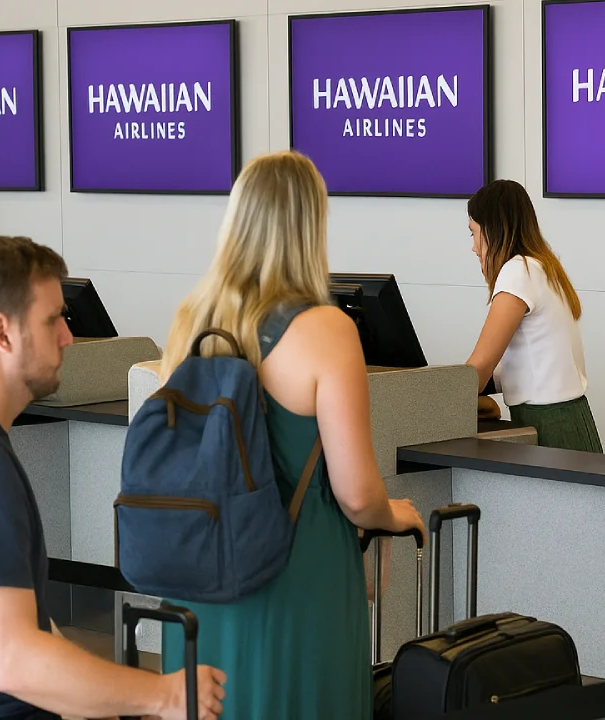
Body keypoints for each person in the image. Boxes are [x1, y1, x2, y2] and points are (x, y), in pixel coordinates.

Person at [157, 151, 426, 719]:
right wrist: (396, 513)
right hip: (297, 573)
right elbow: (356, 493)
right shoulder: (326, 328)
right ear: (310, 226)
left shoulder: (192, 321)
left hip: (202, 570)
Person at [0, 233, 227, 720]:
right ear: (2, 333)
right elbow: (11, 660)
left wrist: (123, 695)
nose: (68, 336)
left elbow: (30, 625)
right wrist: (163, 696)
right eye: (53, 320)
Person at [464, 179, 603, 453]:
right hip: (569, 420)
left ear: (492, 230)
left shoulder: (518, 271)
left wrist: (429, 395)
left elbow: (479, 369)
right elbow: (530, 364)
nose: (474, 248)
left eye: (473, 233)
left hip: (550, 426)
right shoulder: (542, 268)